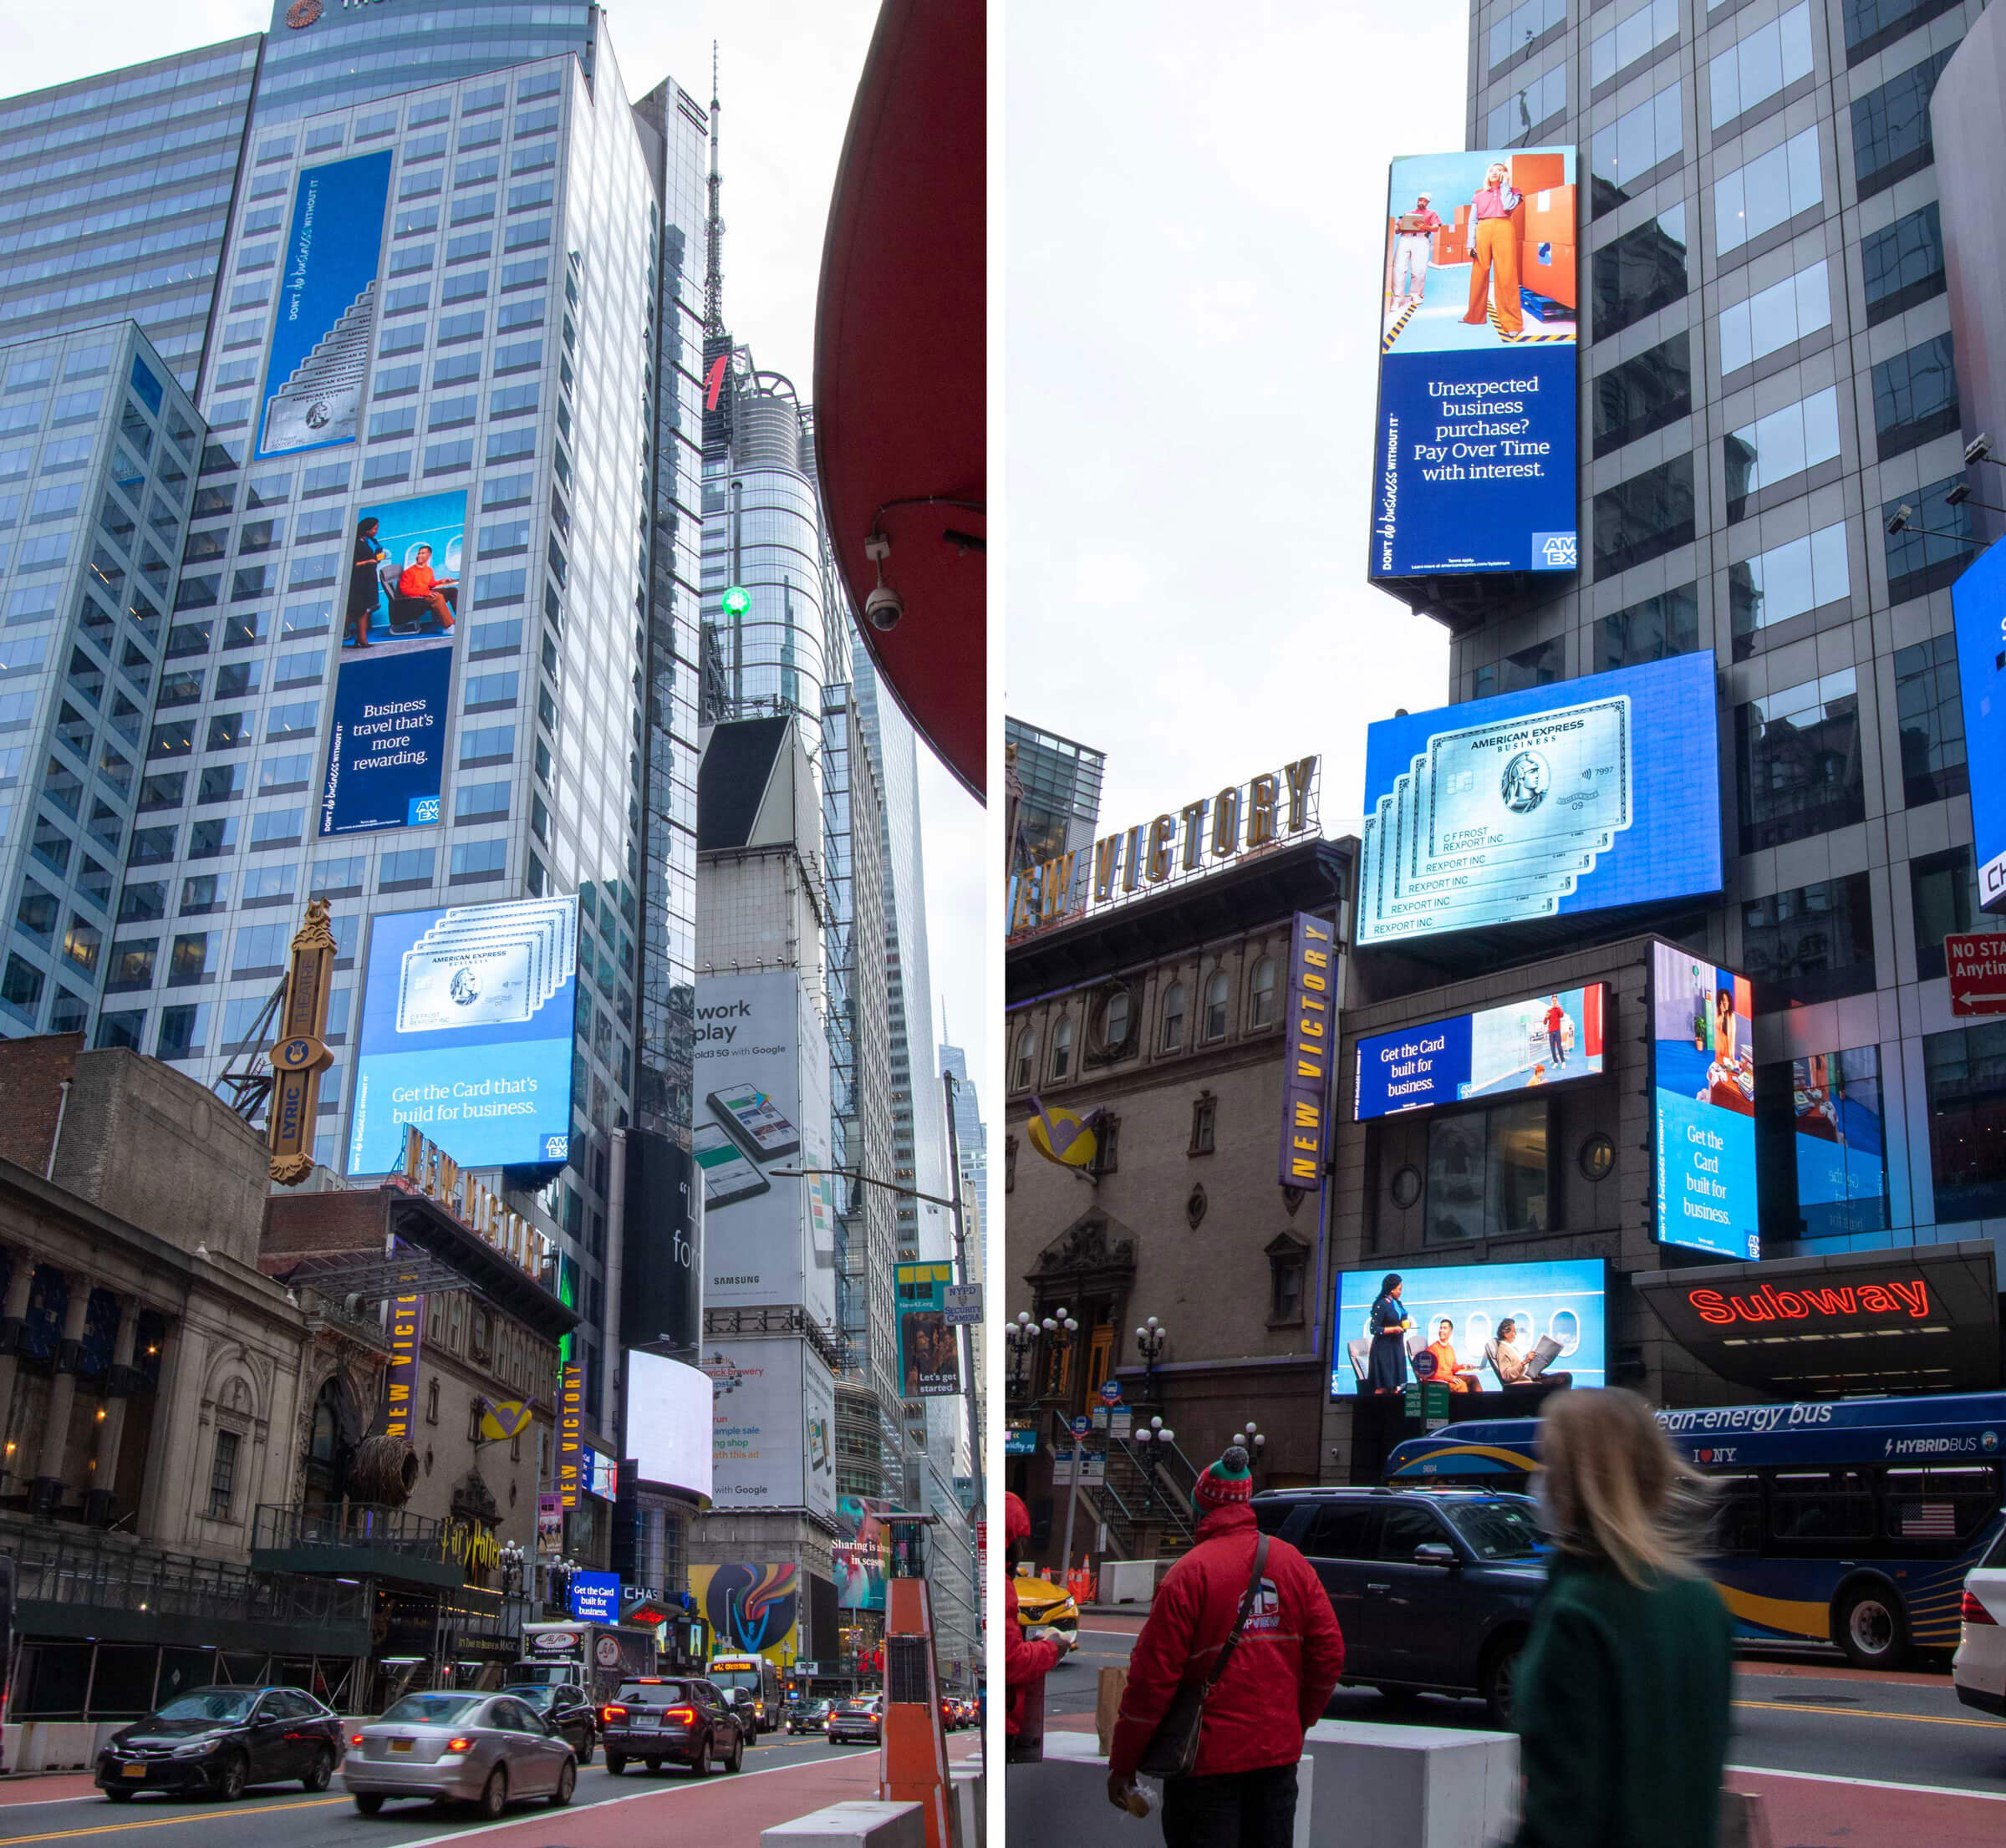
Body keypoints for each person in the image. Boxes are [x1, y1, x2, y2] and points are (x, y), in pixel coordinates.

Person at [1513, 1389, 1732, 1848]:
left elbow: (1563, 1818)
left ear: (1577, 1479)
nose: (1539, 1481)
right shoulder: (1703, 1602)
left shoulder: (1578, 1609)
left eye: (1548, 1463)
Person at [1107, 1448, 1345, 1847]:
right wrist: (1296, 1722)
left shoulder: (1188, 1576)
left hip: (1206, 1768)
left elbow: (1151, 1684)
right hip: (1276, 1761)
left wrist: (1123, 1764)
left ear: (1201, 1506)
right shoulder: (1293, 1565)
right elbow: (1330, 1655)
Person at [1003, 1490, 1070, 1759]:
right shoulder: (1001, 1584)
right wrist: (1051, 1649)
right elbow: (1009, 1663)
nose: (1022, 1550)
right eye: (1020, 1542)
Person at [1463, 160, 1524, 337]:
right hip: (1482, 230)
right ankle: (1474, 316)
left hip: (1504, 228)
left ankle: (1512, 322)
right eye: (1492, 170)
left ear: (1506, 175)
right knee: (1479, 272)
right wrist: (1470, 243)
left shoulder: (1513, 192)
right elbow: (1473, 221)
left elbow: (1507, 206)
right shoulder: (1479, 196)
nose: (1495, 172)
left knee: (1506, 274)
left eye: (1500, 170)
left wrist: (1505, 185)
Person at [1390, 191, 1442, 307]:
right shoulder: (1408, 213)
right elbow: (1397, 231)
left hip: (1421, 240)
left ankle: (1416, 295)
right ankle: (1397, 298)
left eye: (1424, 201)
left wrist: (1425, 227)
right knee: (1398, 268)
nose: (1421, 202)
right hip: (1405, 239)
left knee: (1419, 270)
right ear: (1417, 200)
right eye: (1420, 200)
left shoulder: (1432, 213)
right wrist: (1399, 226)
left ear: (1428, 202)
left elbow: (1436, 227)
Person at [1366, 1274, 1410, 1395]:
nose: (1401, 1292)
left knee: (1395, 1388)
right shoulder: (1381, 1304)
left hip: (1396, 1349)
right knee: (1383, 1387)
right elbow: (1374, 1329)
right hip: (1384, 1351)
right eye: (1399, 1289)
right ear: (1391, 1289)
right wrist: (1393, 1329)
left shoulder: (1397, 1304)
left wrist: (1404, 1325)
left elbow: (1400, 1319)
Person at [396, 544, 456, 629]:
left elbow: (430, 584)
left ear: (429, 556)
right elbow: (404, 590)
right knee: (437, 597)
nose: (419, 556)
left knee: (453, 591)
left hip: (427, 594)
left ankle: (461, 618)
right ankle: (449, 627)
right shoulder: (408, 572)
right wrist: (426, 593)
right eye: (419, 553)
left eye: (423, 553)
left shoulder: (429, 570)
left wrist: (441, 581)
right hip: (418, 599)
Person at [346, 517, 384, 647]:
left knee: (363, 610)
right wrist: (368, 562)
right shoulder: (354, 543)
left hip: (369, 578)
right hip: (357, 581)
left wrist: (377, 558)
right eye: (374, 528)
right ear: (367, 529)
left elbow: (373, 556)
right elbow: (351, 564)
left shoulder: (370, 541)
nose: (376, 531)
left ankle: (362, 639)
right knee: (352, 612)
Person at [1423, 1317, 1472, 1392]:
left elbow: (1453, 1367)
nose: (1441, 1330)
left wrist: (1463, 1366)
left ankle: (1481, 1403)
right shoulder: (1432, 1349)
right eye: (1441, 1328)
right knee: (1461, 1385)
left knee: (1473, 1379)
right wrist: (1449, 1378)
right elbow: (1430, 1373)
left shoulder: (1450, 1349)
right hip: (1440, 1382)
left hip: (1450, 1378)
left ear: (1450, 1332)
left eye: (1445, 1328)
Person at [1493, 1316, 1530, 1385]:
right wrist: (1525, 1362)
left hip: (1528, 1377)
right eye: (1514, 1331)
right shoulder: (1503, 1350)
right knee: (1555, 1382)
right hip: (1522, 1383)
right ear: (1506, 1334)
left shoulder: (1511, 1348)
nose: (1515, 1334)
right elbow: (1507, 1375)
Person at [1544, 996, 1568, 1069]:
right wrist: (1546, 1017)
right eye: (1553, 1000)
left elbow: (1562, 1015)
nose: (1554, 1002)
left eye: (1555, 1000)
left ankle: (1563, 1062)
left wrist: (1558, 1007)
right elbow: (1545, 1022)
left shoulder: (1558, 1009)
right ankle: (1556, 1062)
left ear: (1557, 1001)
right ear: (1551, 1001)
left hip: (1557, 1031)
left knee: (1559, 1047)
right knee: (1552, 1048)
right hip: (1551, 1032)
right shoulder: (1549, 1011)